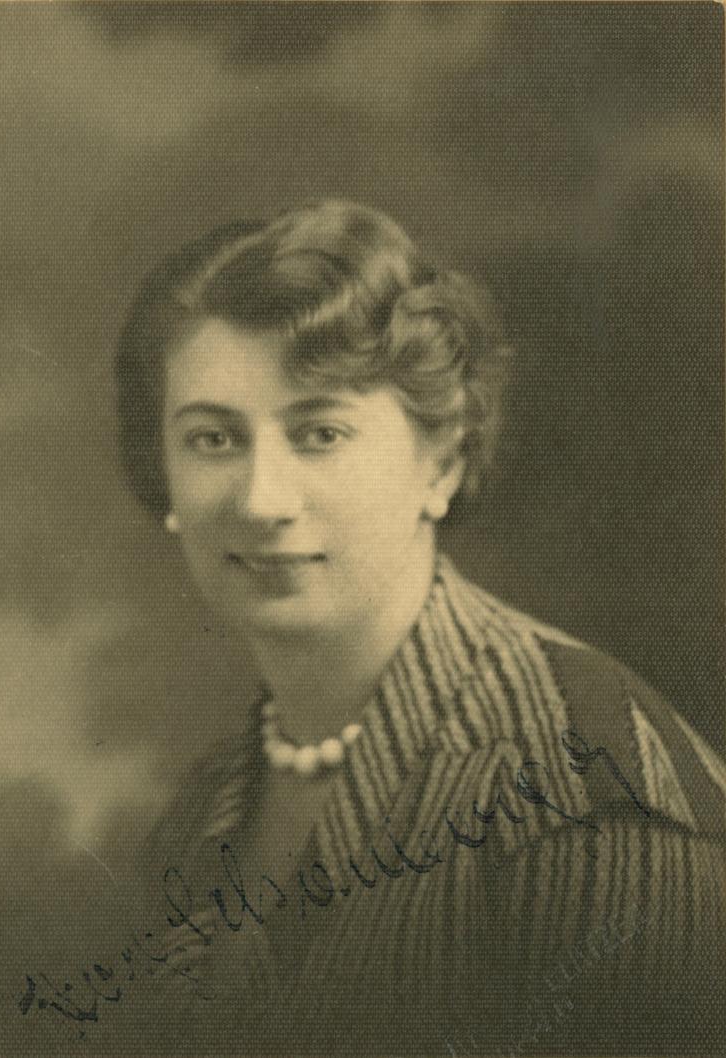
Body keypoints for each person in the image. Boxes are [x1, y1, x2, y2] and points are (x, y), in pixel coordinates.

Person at [110, 200, 724, 1056]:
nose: (261, 500)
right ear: (163, 477)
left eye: (320, 432)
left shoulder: (589, 787)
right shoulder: (202, 813)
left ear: (441, 463)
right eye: (213, 439)